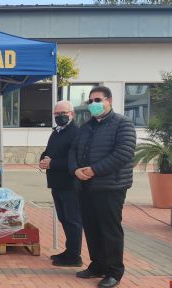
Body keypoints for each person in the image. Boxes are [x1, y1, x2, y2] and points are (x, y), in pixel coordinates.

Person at [68, 86, 136, 288]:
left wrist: (94, 170)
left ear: (109, 101)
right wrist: (75, 170)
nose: (94, 104)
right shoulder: (86, 126)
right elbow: (73, 150)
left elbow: (123, 153)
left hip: (110, 187)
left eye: (98, 100)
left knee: (109, 229)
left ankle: (114, 271)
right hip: (86, 186)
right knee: (91, 227)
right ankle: (97, 265)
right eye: (91, 101)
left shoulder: (122, 124)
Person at [39, 100, 82, 267]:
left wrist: (52, 163)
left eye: (63, 113)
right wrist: (42, 160)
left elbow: (75, 160)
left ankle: (75, 256)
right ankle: (69, 251)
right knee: (64, 218)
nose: (59, 116)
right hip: (56, 183)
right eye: (56, 114)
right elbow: (48, 151)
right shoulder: (57, 132)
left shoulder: (76, 133)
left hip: (70, 184)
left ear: (72, 114)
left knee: (73, 219)